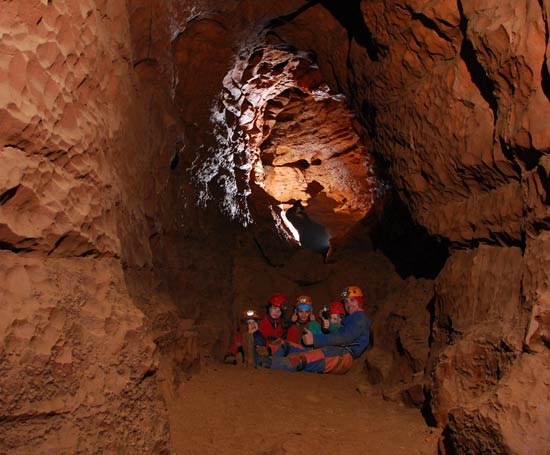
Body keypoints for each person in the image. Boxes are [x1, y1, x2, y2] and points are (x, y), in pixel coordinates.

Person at [265, 285, 371, 374]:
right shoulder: (350, 319)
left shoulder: (360, 317)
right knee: (284, 344)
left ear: (359, 301)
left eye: (352, 300)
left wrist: (315, 339)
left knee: (302, 359)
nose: (349, 304)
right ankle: (269, 357)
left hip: (342, 355)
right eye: (346, 302)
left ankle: (265, 362)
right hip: (332, 349)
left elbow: (345, 337)